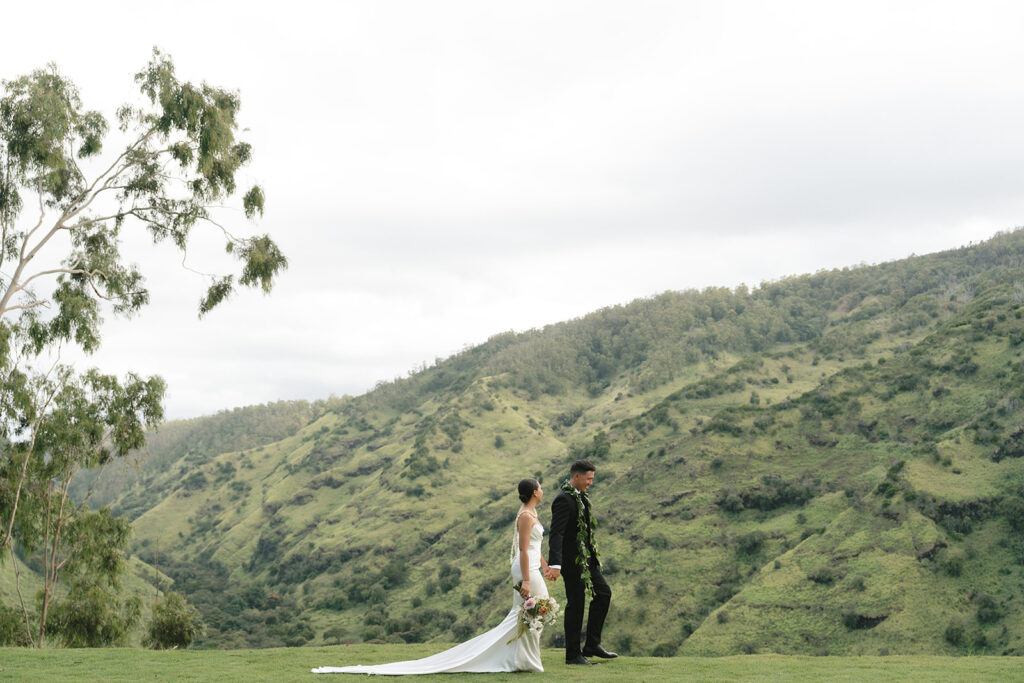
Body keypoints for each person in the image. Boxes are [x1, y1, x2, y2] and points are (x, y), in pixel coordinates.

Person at [312, 478, 556, 674]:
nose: (543, 490)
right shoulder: (525, 516)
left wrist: (544, 565)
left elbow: (535, 548)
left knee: (530, 613)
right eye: (541, 488)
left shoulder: (531, 513)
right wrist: (526, 579)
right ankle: (524, 660)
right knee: (535, 610)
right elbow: (523, 549)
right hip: (525, 569)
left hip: (532, 566)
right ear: (534, 492)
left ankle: (523, 659)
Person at [547, 459, 617, 665]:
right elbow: (556, 533)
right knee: (576, 604)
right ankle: (572, 654)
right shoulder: (563, 500)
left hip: (586, 561)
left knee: (603, 593)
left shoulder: (581, 498)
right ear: (576, 477)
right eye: (588, 479)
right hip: (571, 562)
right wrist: (555, 564)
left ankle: (592, 645)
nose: (590, 483)